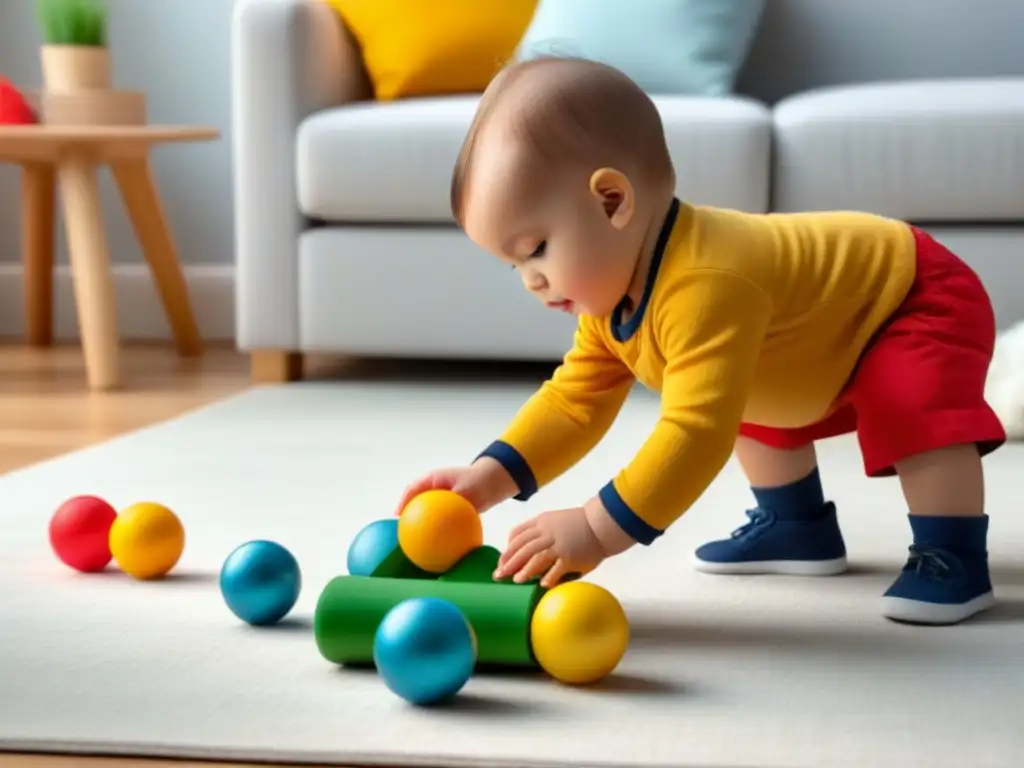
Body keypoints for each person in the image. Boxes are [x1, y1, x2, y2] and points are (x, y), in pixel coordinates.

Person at [393, 56, 1006, 626]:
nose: (531, 281)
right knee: (743, 390)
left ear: (612, 202)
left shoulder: (707, 285)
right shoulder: (610, 300)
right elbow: (572, 402)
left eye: (537, 250)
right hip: (815, 338)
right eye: (513, 265)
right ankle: (795, 525)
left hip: (912, 297)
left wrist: (596, 527)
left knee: (909, 404)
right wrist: (490, 476)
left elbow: (694, 431)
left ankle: (951, 553)